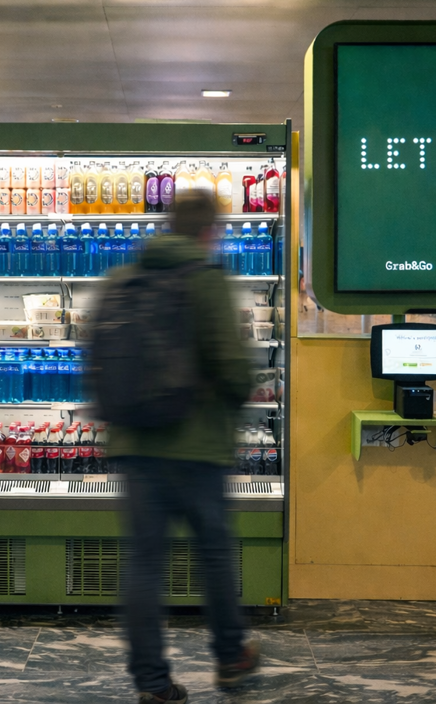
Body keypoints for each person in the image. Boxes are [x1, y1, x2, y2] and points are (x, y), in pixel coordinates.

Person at [104, 190, 260, 704]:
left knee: (144, 566)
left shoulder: (122, 280)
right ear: (210, 232)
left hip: (135, 444)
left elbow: (97, 361)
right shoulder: (207, 281)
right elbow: (234, 370)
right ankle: (230, 658)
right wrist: (231, 408)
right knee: (214, 555)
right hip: (197, 448)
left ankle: (152, 683)